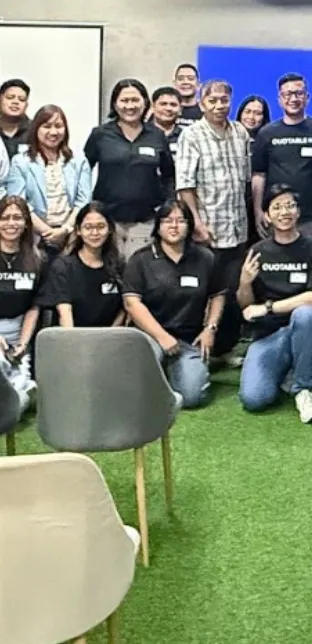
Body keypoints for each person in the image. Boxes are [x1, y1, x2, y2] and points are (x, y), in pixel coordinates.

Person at [122, 200, 226, 409]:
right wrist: (162, 337)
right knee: (138, 390)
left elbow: (218, 295)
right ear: (158, 226)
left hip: (188, 339)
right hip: (149, 337)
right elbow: (132, 303)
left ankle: (185, 369)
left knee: (192, 397)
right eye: (168, 221)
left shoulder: (205, 257)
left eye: (181, 220)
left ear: (189, 225)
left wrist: (210, 328)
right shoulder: (141, 259)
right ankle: (162, 372)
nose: (174, 226)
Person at [237, 184, 312, 423]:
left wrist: (268, 308)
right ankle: (287, 369)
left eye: (289, 206)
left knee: (305, 314)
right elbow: (246, 307)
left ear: (298, 212)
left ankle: (304, 389)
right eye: (277, 207)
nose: (284, 212)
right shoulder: (258, 251)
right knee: (254, 399)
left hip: (306, 328)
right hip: (269, 336)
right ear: (267, 215)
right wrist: (245, 283)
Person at [176, 79, 251, 360]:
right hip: (207, 229)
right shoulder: (191, 135)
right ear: (201, 103)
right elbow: (185, 185)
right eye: (213, 101)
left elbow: (245, 180)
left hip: (237, 228)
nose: (219, 106)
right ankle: (198, 351)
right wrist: (196, 223)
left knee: (231, 291)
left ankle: (224, 350)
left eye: (224, 100)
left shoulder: (240, 132)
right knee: (204, 292)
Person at [84, 79, 174, 260]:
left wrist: (165, 205)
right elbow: (83, 171)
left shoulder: (157, 135)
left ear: (145, 102)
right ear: (114, 104)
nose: (130, 106)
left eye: (135, 100)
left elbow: (169, 175)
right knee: (108, 267)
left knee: (137, 268)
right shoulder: (100, 134)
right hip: (107, 220)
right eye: (124, 100)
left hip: (145, 220)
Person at [251, 73, 312, 241]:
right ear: (279, 99)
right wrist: (258, 212)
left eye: (298, 93)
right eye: (287, 94)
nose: (293, 99)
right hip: (275, 218)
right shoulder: (266, 133)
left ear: (307, 97)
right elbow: (259, 176)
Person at [8, 105, 91, 259]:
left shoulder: (79, 160)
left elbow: (83, 201)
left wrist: (65, 229)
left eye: (58, 126)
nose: (53, 132)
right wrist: (47, 232)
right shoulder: (21, 162)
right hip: (33, 238)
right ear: (36, 129)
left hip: (71, 237)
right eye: (47, 126)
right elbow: (19, 203)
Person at [40, 202, 125, 328]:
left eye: (101, 226)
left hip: (109, 336)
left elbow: (125, 307)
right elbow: (64, 312)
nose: (95, 232)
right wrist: (75, 339)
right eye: (88, 227)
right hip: (73, 335)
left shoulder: (119, 265)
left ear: (110, 229)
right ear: (78, 230)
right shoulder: (63, 266)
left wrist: (110, 335)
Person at [0, 195, 44, 414]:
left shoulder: (37, 259)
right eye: (5, 217)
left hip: (19, 332)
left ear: (26, 223)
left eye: (17, 217)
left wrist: (23, 344)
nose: (11, 223)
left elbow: (34, 306)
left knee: (18, 385)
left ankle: (23, 392)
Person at [236, 94, 272, 246]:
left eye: (257, 113)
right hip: (236, 203)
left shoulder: (269, 140)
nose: (251, 117)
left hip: (261, 202)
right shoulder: (229, 139)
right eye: (248, 111)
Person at [150, 86, 185, 161]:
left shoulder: (187, 136)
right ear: (153, 107)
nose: (168, 108)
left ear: (180, 109)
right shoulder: (141, 134)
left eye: (173, 105)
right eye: (163, 104)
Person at [0, 78, 31, 158]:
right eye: (10, 97)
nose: (15, 102)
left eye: (21, 99)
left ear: (26, 105)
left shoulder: (35, 130)